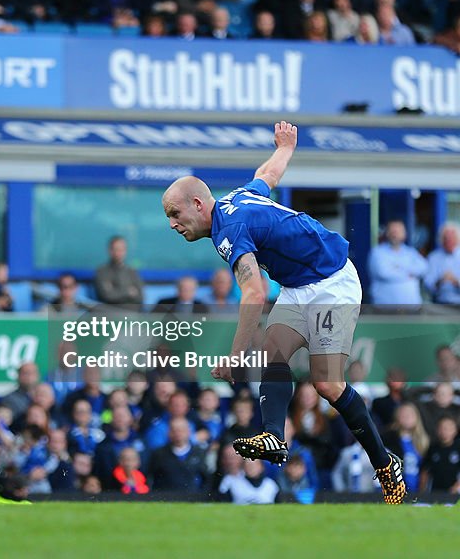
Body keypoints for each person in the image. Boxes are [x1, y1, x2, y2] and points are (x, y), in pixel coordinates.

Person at [161, 120, 406, 504]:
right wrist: (286, 148)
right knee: (274, 349)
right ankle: (274, 434)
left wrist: (235, 355)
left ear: (197, 204)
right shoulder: (236, 199)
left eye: (175, 213)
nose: (173, 224)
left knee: (326, 384)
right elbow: (266, 176)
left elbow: (254, 294)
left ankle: (385, 463)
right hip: (298, 285)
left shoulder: (229, 228)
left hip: (332, 281)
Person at [368, 220, 427, 308]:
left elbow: (423, 268)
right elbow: (384, 273)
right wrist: (409, 273)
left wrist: (397, 268)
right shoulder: (377, 252)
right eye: (392, 231)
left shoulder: (411, 252)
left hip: (411, 309)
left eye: (398, 231)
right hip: (384, 309)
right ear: (387, 233)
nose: (395, 234)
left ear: (404, 234)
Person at [94, 235, 144, 306]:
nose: (119, 252)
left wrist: (116, 291)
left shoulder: (132, 271)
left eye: (122, 249)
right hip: (111, 312)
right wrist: (128, 291)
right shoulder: (102, 271)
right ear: (110, 250)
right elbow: (107, 296)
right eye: (116, 249)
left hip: (134, 312)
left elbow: (141, 297)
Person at [424, 222, 460, 305]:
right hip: (440, 304)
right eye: (446, 238)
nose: (449, 241)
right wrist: (439, 281)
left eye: (452, 238)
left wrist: (456, 281)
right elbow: (427, 284)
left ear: (458, 239)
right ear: (441, 240)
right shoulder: (433, 257)